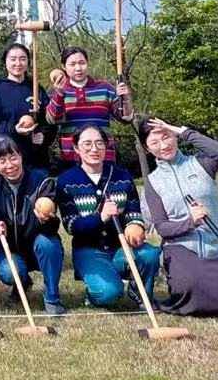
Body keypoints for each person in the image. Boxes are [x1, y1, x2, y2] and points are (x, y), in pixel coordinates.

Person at [139, 116, 218, 317]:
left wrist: (181, 130)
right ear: (146, 148)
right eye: (155, 142)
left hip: (216, 243)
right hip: (181, 246)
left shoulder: (201, 164)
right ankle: (178, 281)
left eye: (166, 137)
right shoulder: (153, 182)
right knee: (189, 289)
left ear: (174, 136)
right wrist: (190, 223)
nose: (164, 145)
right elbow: (161, 227)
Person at [53, 124, 159, 307]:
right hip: (89, 250)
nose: (94, 149)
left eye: (99, 143)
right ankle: (94, 293)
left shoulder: (122, 177)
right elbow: (71, 225)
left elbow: (133, 212)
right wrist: (100, 217)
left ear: (106, 146)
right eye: (87, 144)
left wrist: (135, 225)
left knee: (149, 254)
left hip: (120, 247)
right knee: (108, 294)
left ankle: (141, 293)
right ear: (76, 148)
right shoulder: (66, 181)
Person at [0, 134, 65, 316]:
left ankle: (52, 296)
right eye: (2, 160)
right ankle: (22, 282)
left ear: (20, 155)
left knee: (47, 244)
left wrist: (45, 220)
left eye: (13, 157)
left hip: (38, 244)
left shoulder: (43, 182)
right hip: (12, 248)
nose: (9, 165)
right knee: (9, 273)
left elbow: (53, 227)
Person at [44, 45, 130, 166]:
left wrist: (125, 99)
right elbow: (53, 119)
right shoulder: (56, 91)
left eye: (82, 63)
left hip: (103, 157)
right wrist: (59, 94)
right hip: (71, 158)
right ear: (63, 67)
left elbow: (125, 117)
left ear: (87, 63)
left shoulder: (105, 88)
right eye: (72, 64)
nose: (78, 68)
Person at [0, 41, 51, 174]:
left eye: (22, 59)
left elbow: (49, 120)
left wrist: (44, 135)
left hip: (37, 160)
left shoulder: (36, 89)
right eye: (13, 59)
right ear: (5, 62)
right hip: (8, 160)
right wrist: (14, 130)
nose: (18, 63)